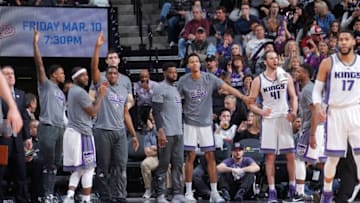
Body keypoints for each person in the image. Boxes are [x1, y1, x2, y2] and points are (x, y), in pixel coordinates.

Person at [177, 53, 249, 202]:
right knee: (190, 157)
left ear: (200, 64)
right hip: (189, 123)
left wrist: (242, 97)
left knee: (210, 157)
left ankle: (215, 192)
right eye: (192, 62)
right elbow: (175, 100)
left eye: (197, 61)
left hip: (206, 124)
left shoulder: (209, 78)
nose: (195, 64)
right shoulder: (183, 81)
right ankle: (189, 192)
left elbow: (227, 87)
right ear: (188, 65)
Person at [310, 30, 360, 203]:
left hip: (356, 111)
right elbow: (316, 91)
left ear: (354, 41)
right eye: (341, 40)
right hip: (334, 113)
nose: (343, 42)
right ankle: (327, 193)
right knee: (333, 157)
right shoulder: (328, 62)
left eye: (347, 39)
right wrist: (318, 106)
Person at [90, 33, 139, 202]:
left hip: (119, 130)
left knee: (121, 166)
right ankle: (105, 196)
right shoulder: (100, 79)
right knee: (103, 166)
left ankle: (120, 195)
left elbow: (127, 108)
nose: (111, 75)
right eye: (109, 57)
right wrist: (97, 47)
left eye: (114, 57)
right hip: (102, 128)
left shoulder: (125, 82)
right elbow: (93, 69)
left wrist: (133, 134)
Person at [248, 50, 298, 202]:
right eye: (271, 58)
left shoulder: (285, 75)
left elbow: (293, 96)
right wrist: (260, 111)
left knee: (290, 155)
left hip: (283, 116)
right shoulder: (258, 80)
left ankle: (292, 187)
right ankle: (271, 190)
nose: (275, 60)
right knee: (270, 157)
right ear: (265, 61)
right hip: (269, 119)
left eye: (276, 57)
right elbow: (250, 103)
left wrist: (294, 111)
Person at [62, 67, 107, 203]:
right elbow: (93, 112)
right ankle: (86, 199)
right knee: (88, 168)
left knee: (79, 169)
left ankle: (70, 196)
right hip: (81, 134)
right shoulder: (80, 92)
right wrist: (101, 96)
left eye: (87, 74)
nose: (86, 77)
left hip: (73, 132)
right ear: (75, 78)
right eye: (83, 75)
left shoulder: (73, 91)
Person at [33, 29, 66, 202]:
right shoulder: (45, 85)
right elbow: (39, 65)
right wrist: (35, 44)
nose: (63, 75)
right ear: (53, 74)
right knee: (47, 164)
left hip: (60, 129)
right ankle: (45, 194)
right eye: (61, 73)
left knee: (56, 165)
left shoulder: (61, 92)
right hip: (47, 128)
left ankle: (50, 193)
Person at [152, 62, 186, 203]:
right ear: (164, 73)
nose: (174, 74)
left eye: (175, 72)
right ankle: (160, 194)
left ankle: (177, 193)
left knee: (178, 164)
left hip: (178, 132)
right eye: (171, 72)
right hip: (166, 132)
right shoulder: (160, 88)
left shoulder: (177, 89)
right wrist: (160, 131)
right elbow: (156, 111)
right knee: (164, 164)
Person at [293, 63, 325, 201]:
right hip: (321, 127)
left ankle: (299, 194)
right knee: (319, 161)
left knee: (298, 159)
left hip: (312, 128)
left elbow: (315, 113)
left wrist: (311, 134)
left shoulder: (308, 90)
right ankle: (323, 191)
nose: (295, 73)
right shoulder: (312, 89)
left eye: (298, 71)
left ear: (305, 74)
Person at [0, 66, 32, 203]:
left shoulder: (21, 94)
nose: (10, 76)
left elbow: (24, 117)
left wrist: (27, 137)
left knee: (21, 173)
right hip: (3, 140)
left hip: (18, 140)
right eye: (6, 74)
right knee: (1, 171)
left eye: (12, 73)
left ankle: (22, 199)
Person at [89, 32, 134, 109]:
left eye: (115, 58)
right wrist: (98, 104)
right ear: (106, 61)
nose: (113, 60)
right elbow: (90, 96)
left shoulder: (126, 79)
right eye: (110, 58)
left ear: (119, 60)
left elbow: (130, 100)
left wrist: (125, 108)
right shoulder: (99, 76)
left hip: (119, 117)